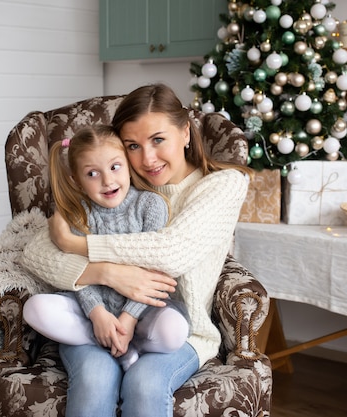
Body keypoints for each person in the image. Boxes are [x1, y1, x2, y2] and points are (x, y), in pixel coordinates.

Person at [21, 83, 252, 417]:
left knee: (145, 385)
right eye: (132, 145)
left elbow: (170, 251)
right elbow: (35, 253)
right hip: (96, 321)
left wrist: (77, 246)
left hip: (178, 331)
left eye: (158, 140)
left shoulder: (222, 184)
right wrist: (103, 273)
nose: (147, 158)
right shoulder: (114, 185)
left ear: (185, 132)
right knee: (94, 378)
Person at [22, 125, 190, 371]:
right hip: (93, 311)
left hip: (143, 312)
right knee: (35, 309)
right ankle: (108, 338)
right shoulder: (78, 213)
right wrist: (97, 314)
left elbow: (156, 269)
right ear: (77, 181)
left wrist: (129, 319)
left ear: (128, 165)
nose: (108, 181)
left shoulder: (150, 205)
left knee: (174, 331)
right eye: (92, 174)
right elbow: (79, 272)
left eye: (115, 167)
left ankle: (131, 342)